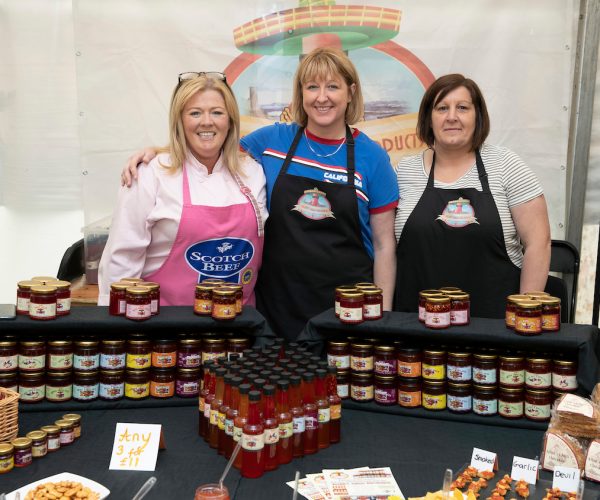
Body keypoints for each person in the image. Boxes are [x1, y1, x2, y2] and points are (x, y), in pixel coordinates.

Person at [121, 48, 398, 339]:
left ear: (351, 92)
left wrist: (383, 319)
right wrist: (159, 152)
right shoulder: (271, 141)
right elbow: (212, 143)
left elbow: (383, 247)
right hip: (277, 309)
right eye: (312, 87)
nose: (321, 97)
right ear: (301, 94)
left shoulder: (373, 158)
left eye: (333, 87)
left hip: (348, 310)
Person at [98, 72, 267, 306]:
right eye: (195, 113)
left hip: (239, 324)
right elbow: (122, 259)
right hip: (167, 328)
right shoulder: (150, 173)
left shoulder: (253, 171)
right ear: (179, 121)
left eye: (217, 112)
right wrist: (117, 327)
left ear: (230, 121)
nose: (207, 121)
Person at [394, 73, 551, 318]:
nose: (452, 116)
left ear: (478, 116)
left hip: (494, 332)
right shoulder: (404, 171)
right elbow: (385, 247)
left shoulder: (506, 165)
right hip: (416, 329)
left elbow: (538, 243)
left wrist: (524, 315)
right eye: (442, 108)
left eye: (463, 108)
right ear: (428, 118)